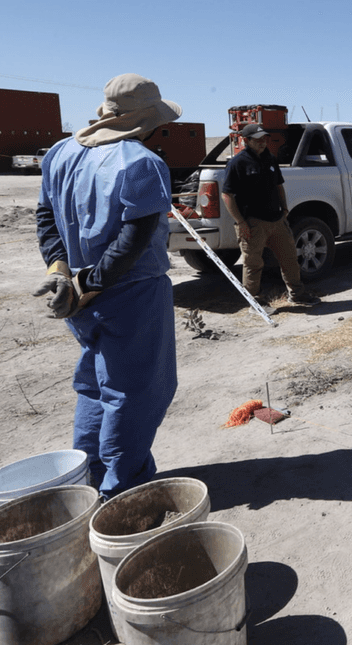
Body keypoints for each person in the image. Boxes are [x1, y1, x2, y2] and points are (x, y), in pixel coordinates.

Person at [33, 73, 180, 499]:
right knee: (135, 392)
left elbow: (45, 217)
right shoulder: (141, 163)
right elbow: (133, 239)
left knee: (96, 386)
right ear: (147, 120)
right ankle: (124, 492)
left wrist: (59, 271)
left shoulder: (61, 153)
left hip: (78, 300)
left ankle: (89, 479)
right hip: (130, 293)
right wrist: (91, 283)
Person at [222, 123, 318, 306]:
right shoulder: (237, 163)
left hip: (277, 220)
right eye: (257, 140)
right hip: (253, 223)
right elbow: (227, 194)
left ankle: (298, 295)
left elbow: (278, 186)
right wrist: (241, 222)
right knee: (253, 264)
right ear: (246, 140)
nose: (262, 143)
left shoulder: (270, 159)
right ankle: (255, 302)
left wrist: (285, 209)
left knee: (290, 259)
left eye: (264, 139)